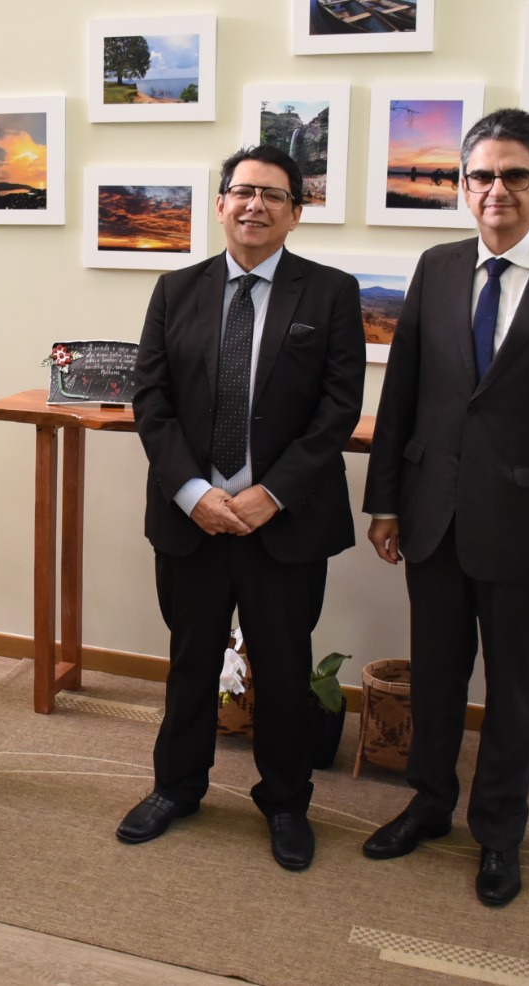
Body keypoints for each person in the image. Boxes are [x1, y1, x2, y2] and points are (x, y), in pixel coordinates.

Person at [361, 107, 529, 906]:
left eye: (516, 175)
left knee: (513, 692)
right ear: (462, 186)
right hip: (432, 516)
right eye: (481, 175)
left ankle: (500, 833)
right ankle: (430, 804)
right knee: (436, 677)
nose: (496, 190)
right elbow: (402, 392)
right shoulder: (437, 267)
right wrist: (385, 504)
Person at [117, 144, 365, 871]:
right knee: (190, 660)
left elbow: (337, 408)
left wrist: (271, 493)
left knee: (284, 671)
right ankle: (177, 787)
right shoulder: (175, 289)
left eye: (274, 195)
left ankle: (285, 800)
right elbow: (151, 401)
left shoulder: (330, 293)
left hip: (282, 523)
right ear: (221, 203)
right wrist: (194, 492)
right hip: (192, 521)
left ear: (296, 212)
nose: (255, 205)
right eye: (243, 191)